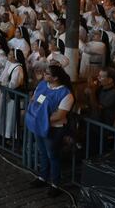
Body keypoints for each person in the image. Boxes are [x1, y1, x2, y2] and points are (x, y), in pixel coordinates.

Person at [25, 65, 74, 197]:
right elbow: (34, 100)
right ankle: (42, 177)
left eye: (47, 73)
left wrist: (40, 119)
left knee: (53, 155)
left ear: (55, 77)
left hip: (54, 129)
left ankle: (55, 184)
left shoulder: (66, 94)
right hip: (38, 125)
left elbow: (60, 115)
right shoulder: (42, 85)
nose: (44, 74)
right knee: (42, 152)